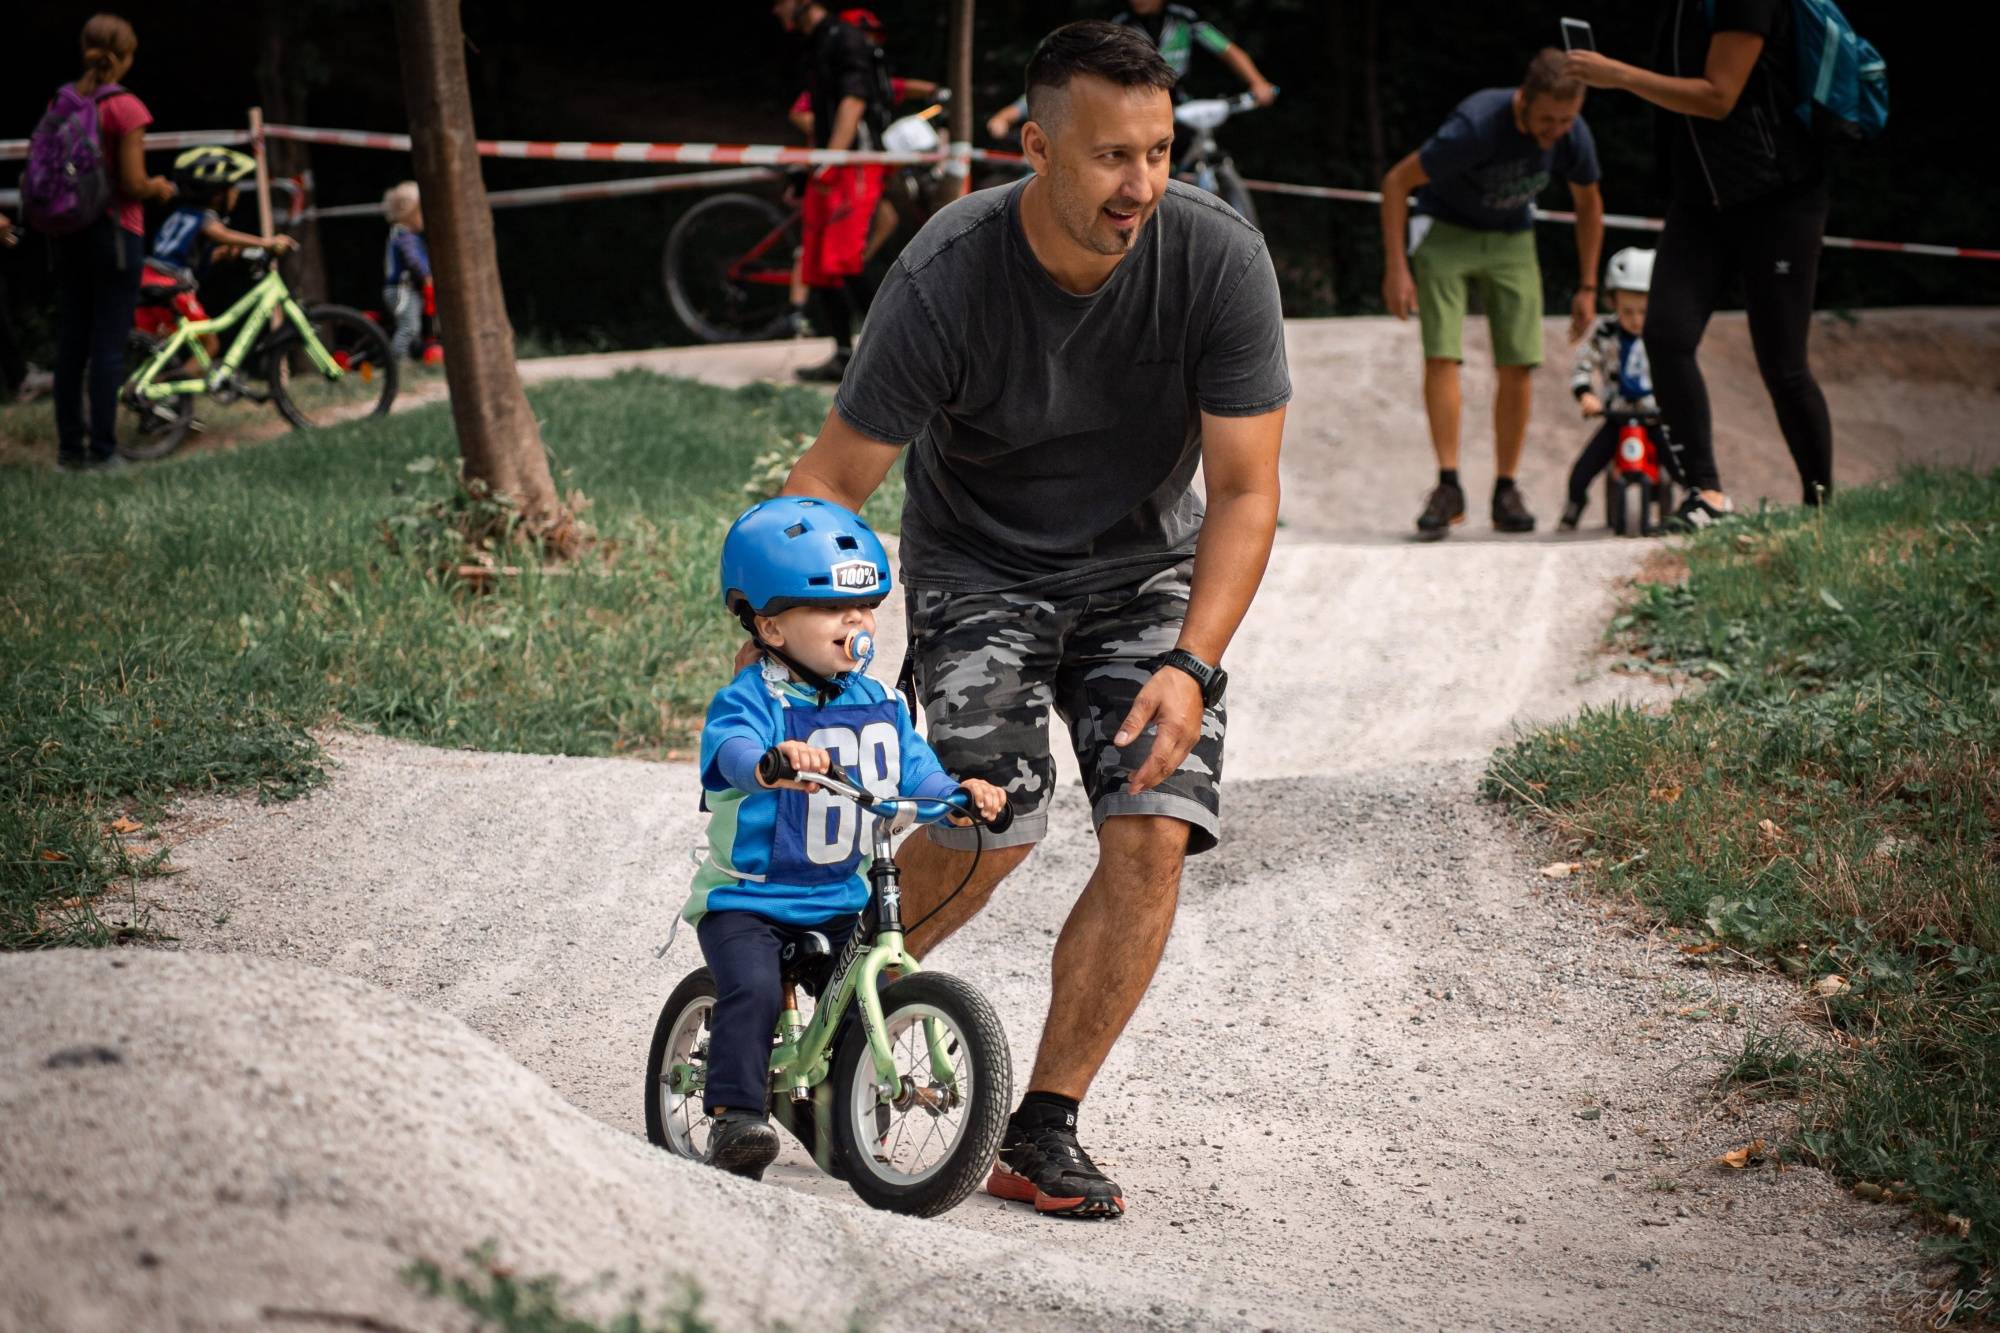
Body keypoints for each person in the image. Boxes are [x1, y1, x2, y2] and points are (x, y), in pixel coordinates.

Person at [775, 20, 1288, 1218]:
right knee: (990, 813)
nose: (1140, 185)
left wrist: (1192, 665)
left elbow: (1246, 492)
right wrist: (798, 646)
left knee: (1154, 827)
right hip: (979, 567)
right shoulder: (947, 274)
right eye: (1110, 156)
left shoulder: (1218, 260)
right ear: (1037, 148)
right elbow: (830, 482)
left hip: (1144, 575)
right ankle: (827, 995)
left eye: (1157, 152)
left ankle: (1042, 1126)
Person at [688, 496, 1006, 1180]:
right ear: (771, 626)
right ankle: (735, 1116)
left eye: (864, 610)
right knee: (752, 991)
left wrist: (959, 796)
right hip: (749, 900)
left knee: (864, 1004)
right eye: (833, 610)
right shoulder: (754, 698)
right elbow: (731, 750)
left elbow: (916, 768)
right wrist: (770, 763)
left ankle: (842, 1115)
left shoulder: (882, 704)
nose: (856, 625)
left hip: (838, 898)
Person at [1565, 0, 1833, 526]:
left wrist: (1618, 75)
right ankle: (1706, 494)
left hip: (1777, 197)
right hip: (1701, 200)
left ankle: (1820, 508)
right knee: (1665, 334)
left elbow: (1718, 96)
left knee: (1783, 363)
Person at [1379, 49, 1605, 539]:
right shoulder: (1475, 127)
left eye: (1566, 120)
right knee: (1443, 353)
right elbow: (1397, 182)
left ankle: (1506, 489)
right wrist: (1397, 268)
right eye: (1547, 120)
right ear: (1524, 100)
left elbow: (1589, 206)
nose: (1556, 130)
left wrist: (1588, 286)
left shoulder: (1572, 133)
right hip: (1445, 230)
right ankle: (1448, 485)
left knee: (1519, 361)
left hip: (1511, 236)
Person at [45, 13, 174, 471]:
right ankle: (103, 450)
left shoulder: (63, 101)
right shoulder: (125, 107)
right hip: (115, 235)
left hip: (67, 234)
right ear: (126, 56)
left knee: (71, 344)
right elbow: (133, 182)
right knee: (108, 345)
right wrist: (158, 188)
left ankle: (69, 451)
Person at [782, 9, 941, 337]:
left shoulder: (862, 67)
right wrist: (830, 152)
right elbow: (807, 112)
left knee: (854, 249)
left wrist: (936, 91)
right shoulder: (835, 60)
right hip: (838, 169)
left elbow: (894, 89)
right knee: (823, 261)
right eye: (868, 35)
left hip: (850, 168)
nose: (873, 42)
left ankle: (882, 343)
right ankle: (815, 323)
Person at [772, 0, 895, 384]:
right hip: (828, 162)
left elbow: (854, 101)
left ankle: (893, 358)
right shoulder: (816, 43)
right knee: (818, 266)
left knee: (845, 260)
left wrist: (833, 158)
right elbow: (814, 112)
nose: (776, 11)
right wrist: (812, 168)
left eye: (780, 3)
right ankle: (843, 356)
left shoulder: (847, 38)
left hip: (852, 162)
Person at [983, 1, 1276, 141]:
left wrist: (1258, 83)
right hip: (1130, 109)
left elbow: (1229, 50)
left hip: (1178, 103)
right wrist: (1011, 113)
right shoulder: (1118, 27)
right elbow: (1067, 81)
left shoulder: (1185, 20)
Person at [136, 147, 296, 358]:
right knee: (210, 345)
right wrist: (267, 243)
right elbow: (221, 233)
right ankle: (181, 377)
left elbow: (180, 255)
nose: (237, 194)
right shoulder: (204, 217)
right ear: (218, 193)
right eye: (233, 188)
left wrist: (221, 254)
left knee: (157, 348)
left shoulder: (181, 213)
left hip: (147, 276)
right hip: (171, 285)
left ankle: (159, 377)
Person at [1560, 247, 1662, 530]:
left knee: (1682, 467)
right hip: (1617, 416)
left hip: (1654, 416)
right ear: (1613, 302)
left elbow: (1680, 372)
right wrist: (1586, 395)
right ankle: (1575, 503)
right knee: (1581, 471)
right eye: (1627, 311)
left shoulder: (1662, 335)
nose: (1636, 320)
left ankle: (1692, 504)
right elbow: (1583, 365)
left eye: (1643, 311)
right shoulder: (1605, 334)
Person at [380, 181, 432, 365]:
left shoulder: (402, 234)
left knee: (413, 325)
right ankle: (397, 361)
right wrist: (426, 275)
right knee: (409, 327)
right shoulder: (405, 236)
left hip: (405, 289)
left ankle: (408, 356)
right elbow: (413, 261)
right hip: (401, 290)